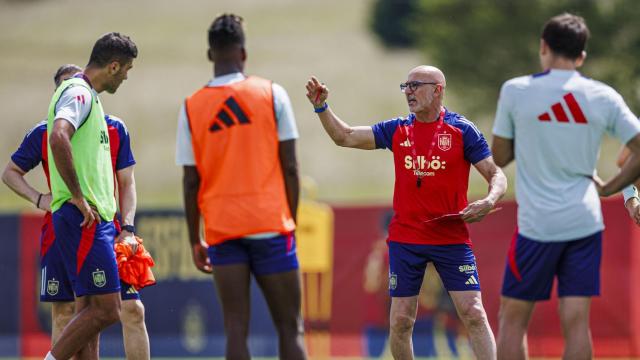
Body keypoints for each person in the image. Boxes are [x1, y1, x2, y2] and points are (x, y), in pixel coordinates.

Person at [306, 65, 507, 359]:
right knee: (400, 320)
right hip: (407, 240)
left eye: (416, 85)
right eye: (406, 86)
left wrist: (489, 200)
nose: (408, 91)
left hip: (451, 239)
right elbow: (345, 136)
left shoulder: (462, 130)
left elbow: (495, 174)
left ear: (438, 90)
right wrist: (321, 106)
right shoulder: (397, 129)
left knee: (473, 312)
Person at [491, 13, 640, 360]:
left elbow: (498, 155)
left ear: (543, 47)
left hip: (536, 226)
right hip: (584, 222)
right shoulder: (603, 96)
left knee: (512, 319)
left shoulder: (516, 90)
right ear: (582, 55)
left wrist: (528, 138)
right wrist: (612, 187)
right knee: (576, 322)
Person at [176, 14, 306, 360]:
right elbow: (291, 167)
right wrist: (289, 220)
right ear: (244, 54)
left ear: (210, 55)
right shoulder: (272, 93)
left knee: (235, 326)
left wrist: (194, 238)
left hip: (222, 229)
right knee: (290, 327)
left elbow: (191, 182)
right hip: (271, 224)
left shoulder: (191, 107)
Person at [2, 64, 149, 359]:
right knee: (66, 311)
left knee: (131, 309)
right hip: (64, 228)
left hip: (107, 227)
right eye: (67, 88)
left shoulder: (113, 128)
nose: (76, 95)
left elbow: (127, 181)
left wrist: (128, 227)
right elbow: (10, 173)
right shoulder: (45, 132)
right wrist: (38, 198)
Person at [43, 33, 137, 360]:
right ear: (113, 66)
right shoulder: (79, 92)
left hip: (90, 221)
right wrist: (78, 196)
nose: (126, 75)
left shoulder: (91, 98)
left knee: (89, 311)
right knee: (109, 309)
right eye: (126, 69)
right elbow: (58, 137)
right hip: (84, 220)